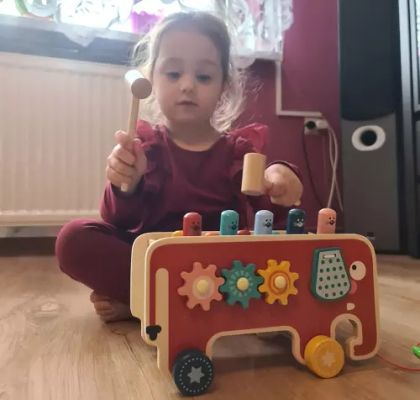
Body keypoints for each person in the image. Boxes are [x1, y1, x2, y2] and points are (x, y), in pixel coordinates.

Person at [55, 11, 303, 322]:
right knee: (73, 239)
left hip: (223, 272)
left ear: (224, 87)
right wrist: (126, 185)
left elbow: (269, 216)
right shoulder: (144, 148)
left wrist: (282, 178)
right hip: (156, 265)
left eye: (204, 77)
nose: (187, 85)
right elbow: (118, 219)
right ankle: (159, 301)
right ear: (152, 79)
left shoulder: (239, 153)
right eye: (173, 74)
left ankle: (147, 304)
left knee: (287, 255)